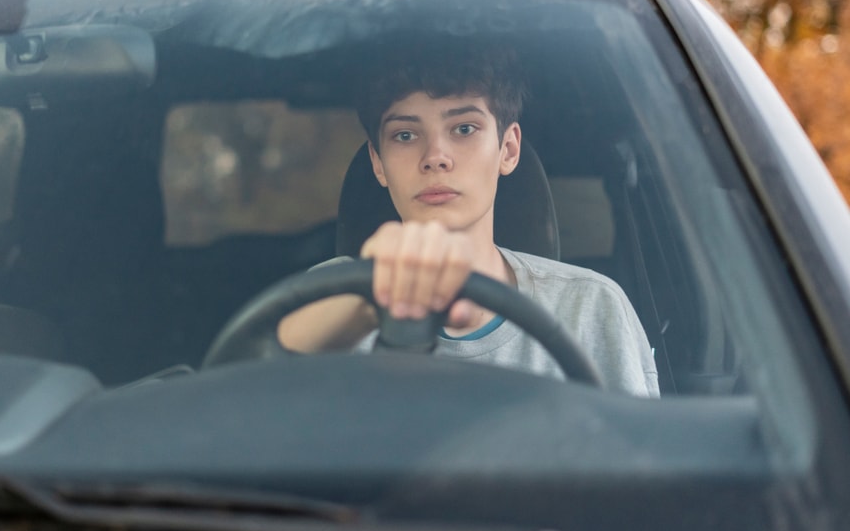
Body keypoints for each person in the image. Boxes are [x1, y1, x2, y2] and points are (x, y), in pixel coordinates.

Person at [278, 49, 659, 397]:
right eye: (405, 135)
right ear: (378, 163)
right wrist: (369, 298)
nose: (435, 157)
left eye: (464, 128)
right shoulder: (331, 296)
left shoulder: (589, 307)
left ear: (508, 150)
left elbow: (642, 462)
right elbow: (267, 380)